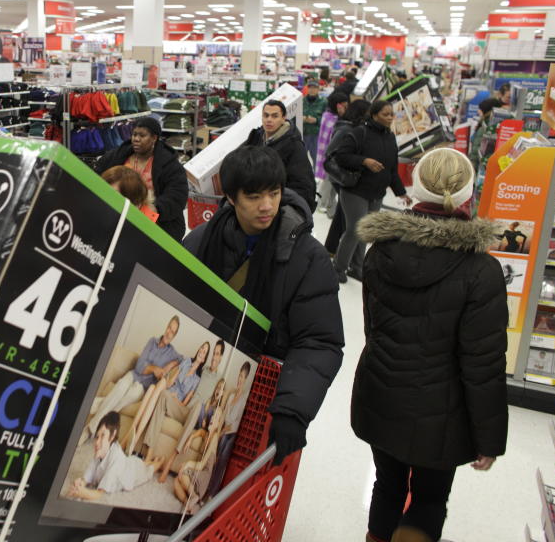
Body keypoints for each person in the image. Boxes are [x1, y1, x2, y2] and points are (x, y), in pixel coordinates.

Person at [352, 147, 508, 542]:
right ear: (468, 194)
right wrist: (488, 438)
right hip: (443, 414)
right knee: (430, 498)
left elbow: (373, 328)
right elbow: (483, 363)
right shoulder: (482, 271)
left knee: (387, 486)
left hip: (382, 394)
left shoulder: (380, 251)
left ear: (416, 188)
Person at [184, 146, 344, 466]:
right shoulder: (200, 242)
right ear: (230, 197)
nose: (267, 205)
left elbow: (318, 340)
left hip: (264, 396)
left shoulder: (305, 256)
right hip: (205, 382)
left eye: (274, 193)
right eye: (254, 196)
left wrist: (292, 409)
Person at [329, 100, 412, 283]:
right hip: (355, 191)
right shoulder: (359, 133)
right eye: (385, 114)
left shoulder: (390, 138)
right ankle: (338, 267)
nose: (390, 118)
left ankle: (356, 267)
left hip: (376, 193)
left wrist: (401, 192)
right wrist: (364, 161)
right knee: (355, 229)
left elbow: (392, 169)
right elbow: (341, 156)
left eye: (392, 114)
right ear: (374, 115)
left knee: (367, 231)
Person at [82, 316, 181, 444]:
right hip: (133, 375)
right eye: (169, 328)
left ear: (174, 336)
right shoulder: (152, 341)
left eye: (173, 332)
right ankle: (91, 427)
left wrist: (171, 365)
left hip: (142, 386)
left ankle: (92, 423)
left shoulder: (172, 353)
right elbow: (139, 366)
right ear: (166, 326)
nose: (169, 333)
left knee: (130, 394)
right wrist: (154, 369)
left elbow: (183, 361)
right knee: (121, 386)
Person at [94, 117, 188, 240]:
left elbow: (177, 195)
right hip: (117, 219)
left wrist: (154, 209)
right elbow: (97, 175)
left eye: (142, 135)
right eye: (134, 134)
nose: (136, 139)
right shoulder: (118, 155)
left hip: (157, 224)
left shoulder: (169, 164)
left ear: (154, 138)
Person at [147, 340, 225, 482]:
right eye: (213, 353)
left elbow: (218, 401)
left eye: (217, 354)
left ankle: (169, 462)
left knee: (197, 406)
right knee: (164, 395)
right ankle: (149, 452)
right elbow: (183, 367)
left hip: (197, 415)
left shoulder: (220, 379)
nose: (214, 357)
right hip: (184, 410)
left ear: (221, 358)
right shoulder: (202, 370)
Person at [122, 341, 209, 455]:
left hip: (175, 404)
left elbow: (184, 403)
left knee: (157, 390)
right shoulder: (186, 361)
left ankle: (131, 438)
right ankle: (132, 439)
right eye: (201, 348)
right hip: (167, 393)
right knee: (153, 387)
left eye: (204, 352)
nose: (201, 352)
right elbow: (171, 381)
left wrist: (174, 398)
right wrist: (165, 382)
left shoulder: (197, 379)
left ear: (204, 359)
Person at [68, 412, 160, 501]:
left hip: (134, 473)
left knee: (150, 469)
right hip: (129, 461)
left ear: (112, 436)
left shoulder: (116, 459)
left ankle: (161, 461)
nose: (97, 442)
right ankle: (150, 461)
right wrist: (81, 482)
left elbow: (98, 493)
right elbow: (90, 473)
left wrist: (83, 493)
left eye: (103, 435)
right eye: (97, 436)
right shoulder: (101, 450)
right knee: (143, 463)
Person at [245, 99, 316, 211]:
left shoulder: (293, 146)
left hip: (277, 207)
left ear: (283, 118)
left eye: (274, 116)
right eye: (266, 115)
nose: (269, 120)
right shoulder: (256, 138)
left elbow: (303, 186)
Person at [324, 99, 371, 256]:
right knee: (346, 217)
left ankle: (331, 248)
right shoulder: (346, 129)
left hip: (344, 177)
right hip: (342, 177)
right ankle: (338, 251)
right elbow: (330, 153)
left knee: (341, 213)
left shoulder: (352, 128)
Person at [204, 361, 251, 499]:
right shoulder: (231, 396)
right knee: (217, 451)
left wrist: (224, 431)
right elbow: (224, 416)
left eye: (242, 377)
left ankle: (211, 494)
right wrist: (218, 431)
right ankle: (207, 487)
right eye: (239, 376)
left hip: (233, 433)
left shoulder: (244, 398)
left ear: (246, 379)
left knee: (224, 453)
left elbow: (237, 422)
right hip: (225, 431)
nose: (239, 379)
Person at [315, 91, 350, 214]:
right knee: (328, 185)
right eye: (344, 104)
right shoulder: (334, 120)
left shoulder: (327, 115)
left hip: (327, 156)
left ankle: (329, 208)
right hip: (331, 158)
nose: (347, 107)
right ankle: (321, 204)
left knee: (330, 185)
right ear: (338, 105)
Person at [301, 80, 326, 163]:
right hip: (304, 134)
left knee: (317, 159)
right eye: (310, 87)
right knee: (301, 159)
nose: (312, 90)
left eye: (314, 88)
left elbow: (327, 119)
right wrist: (302, 118)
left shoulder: (323, 102)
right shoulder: (302, 101)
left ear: (318, 89)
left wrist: (316, 120)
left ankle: (316, 175)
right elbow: (295, 116)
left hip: (317, 134)